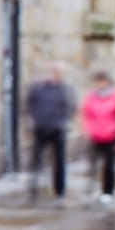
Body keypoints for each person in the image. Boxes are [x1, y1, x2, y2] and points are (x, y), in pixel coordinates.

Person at [26, 61, 75, 200]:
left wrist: (63, 122)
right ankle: (33, 187)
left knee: (59, 160)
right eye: (58, 72)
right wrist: (34, 119)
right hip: (41, 127)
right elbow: (30, 103)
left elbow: (71, 106)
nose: (60, 75)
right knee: (37, 158)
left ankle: (59, 190)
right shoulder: (39, 87)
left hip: (58, 129)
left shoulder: (65, 88)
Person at [80, 71, 115, 204]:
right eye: (98, 81)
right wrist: (87, 129)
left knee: (109, 165)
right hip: (95, 135)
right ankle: (90, 189)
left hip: (111, 135)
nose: (100, 83)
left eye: (102, 81)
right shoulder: (91, 96)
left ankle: (108, 191)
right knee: (92, 164)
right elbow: (86, 113)